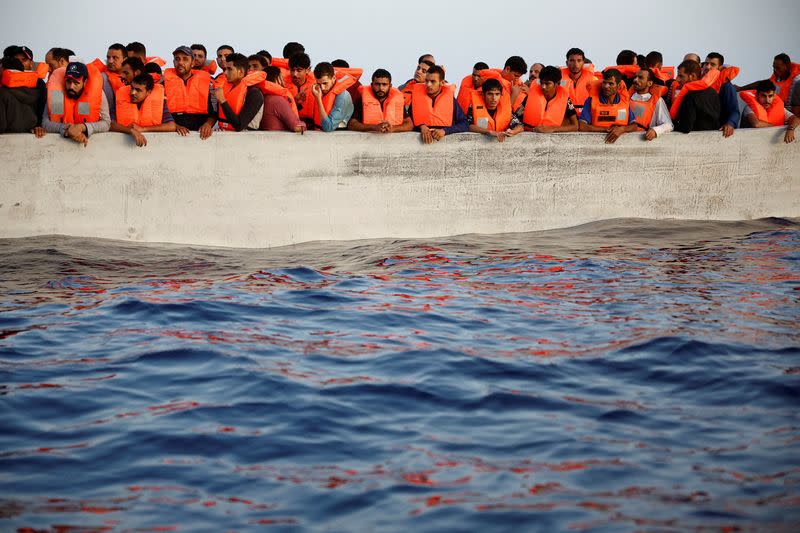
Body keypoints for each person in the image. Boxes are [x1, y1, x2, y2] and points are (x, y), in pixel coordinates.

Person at [35, 61, 110, 145]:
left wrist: (83, 127)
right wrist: (67, 129)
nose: (71, 86)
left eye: (76, 83)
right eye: (68, 81)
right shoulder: (57, 94)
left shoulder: (98, 93)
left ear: (85, 82)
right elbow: (45, 123)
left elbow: (106, 123)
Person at [163, 46, 215, 139]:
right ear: (174, 62)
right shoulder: (164, 83)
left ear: (192, 63)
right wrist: (175, 126)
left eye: (185, 59)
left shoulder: (205, 83)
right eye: (177, 59)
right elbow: (160, 111)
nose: (180, 63)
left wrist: (208, 124)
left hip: (200, 135)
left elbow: (213, 112)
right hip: (174, 135)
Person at [408, 65, 469, 144]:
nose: (428, 84)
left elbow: (464, 124)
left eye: (433, 81)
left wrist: (444, 131)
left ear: (442, 83)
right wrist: (421, 126)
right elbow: (408, 122)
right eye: (426, 81)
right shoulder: (417, 99)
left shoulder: (451, 100)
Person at [111, 73, 175, 146]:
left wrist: (143, 129)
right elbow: (110, 124)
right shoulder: (120, 101)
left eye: (138, 90)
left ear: (148, 92)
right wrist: (131, 131)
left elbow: (171, 126)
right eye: (132, 88)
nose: (133, 93)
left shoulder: (159, 104)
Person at [578, 68, 638, 143]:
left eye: (611, 84)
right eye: (604, 83)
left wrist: (622, 129)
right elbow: (582, 126)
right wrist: (606, 129)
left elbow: (634, 125)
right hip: (595, 143)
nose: (606, 86)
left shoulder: (624, 101)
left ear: (619, 86)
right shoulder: (591, 101)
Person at [348, 68, 413, 133]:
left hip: (393, 141)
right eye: (377, 84)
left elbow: (409, 124)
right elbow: (352, 124)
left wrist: (393, 129)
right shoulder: (361, 100)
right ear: (372, 85)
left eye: (384, 84)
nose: (381, 88)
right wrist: (374, 127)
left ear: (390, 86)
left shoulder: (397, 100)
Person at [214, 53, 264, 131]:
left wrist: (222, 100)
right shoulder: (224, 88)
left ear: (240, 72)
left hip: (246, 140)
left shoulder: (254, 94)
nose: (225, 73)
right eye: (225, 69)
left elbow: (239, 125)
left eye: (229, 69)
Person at [519, 65, 578, 132]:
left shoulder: (566, 99)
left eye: (547, 84)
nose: (543, 87)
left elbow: (575, 126)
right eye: (541, 83)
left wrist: (553, 129)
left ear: (557, 84)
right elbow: (517, 115)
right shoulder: (530, 96)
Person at [670, 60, 720, 133]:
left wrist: (670, 125)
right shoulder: (713, 92)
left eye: (681, 76)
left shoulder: (690, 95)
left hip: (696, 141)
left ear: (692, 76)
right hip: (714, 139)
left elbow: (686, 128)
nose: (677, 79)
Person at [702, 52, 740, 138]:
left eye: (713, 64)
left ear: (720, 68)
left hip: (718, 131)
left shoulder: (726, 86)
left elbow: (734, 111)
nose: (708, 67)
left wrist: (730, 123)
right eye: (706, 63)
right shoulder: (698, 81)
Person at [628, 68, 673, 140]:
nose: (635, 80)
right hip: (625, 141)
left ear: (650, 83)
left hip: (645, 141)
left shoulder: (657, 100)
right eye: (635, 77)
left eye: (640, 78)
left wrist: (656, 130)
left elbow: (668, 125)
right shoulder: (626, 98)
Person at [308, 61, 354, 131]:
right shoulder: (317, 89)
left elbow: (328, 127)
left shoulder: (343, 97)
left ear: (333, 79)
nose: (322, 88)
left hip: (338, 135)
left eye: (325, 83)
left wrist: (318, 99)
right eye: (319, 84)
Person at [0, 56, 42, 133]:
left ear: (2, 69)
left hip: (8, 142)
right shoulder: (35, 92)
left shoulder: (2, 93)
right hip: (32, 140)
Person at [258, 66, 305, 133]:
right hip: (279, 141)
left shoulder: (263, 97)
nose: (284, 81)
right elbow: (297, 126)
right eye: (282, 78)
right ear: (278, 79)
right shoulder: (278, 101)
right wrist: (304, 124)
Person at [561, 47, 595, 112]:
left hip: (585, 115)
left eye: (579, 60)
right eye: (572, 60)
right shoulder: (558, 80)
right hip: (566, 115)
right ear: (567, 63)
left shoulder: (593, 80)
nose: (576, 64)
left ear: (583, 62)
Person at [286, 52, 315, 122]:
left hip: (313, 127)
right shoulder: (282, 85)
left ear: (308, 70)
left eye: (299, 70)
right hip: (289, 124)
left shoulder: (317, 86)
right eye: (292, 70)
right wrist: (294, 101)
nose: (295, 74)